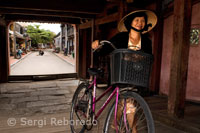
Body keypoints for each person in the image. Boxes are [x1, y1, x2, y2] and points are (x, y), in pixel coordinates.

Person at [92, 10, 157, 130]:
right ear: (130, 22)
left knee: (126, 104)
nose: (140, 23)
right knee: (129, 105)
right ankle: (133, 130)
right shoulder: (121, 37)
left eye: (142, 21)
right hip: (121, 75)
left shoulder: (147, 41)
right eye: (136, 20)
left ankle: (116, 123)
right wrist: (97, 45)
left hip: (137, 76)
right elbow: (106, 48)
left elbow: (148, 58)